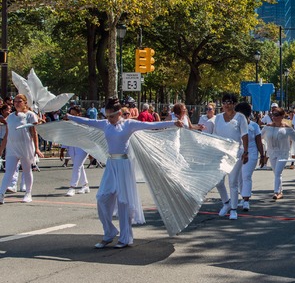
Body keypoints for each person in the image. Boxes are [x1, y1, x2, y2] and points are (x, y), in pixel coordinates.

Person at [66, 98, 179, 248]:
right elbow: (86, 121)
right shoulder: (105, 124)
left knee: (123, 202)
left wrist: (172, 123)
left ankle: (126, 238)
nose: (109, 119)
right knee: (102, 198)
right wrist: (70, 117)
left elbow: (151, 125)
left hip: (124, 165)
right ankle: (109, 232)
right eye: (107, 116)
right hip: (111, 164)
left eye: (112, 116)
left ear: (119, 113)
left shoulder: (129, 124)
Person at [0, 94, 45, 204]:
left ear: (25, 103)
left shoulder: (30, 115)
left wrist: (37, 149)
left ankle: (28, 193)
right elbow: (7, 134)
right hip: (12, 148)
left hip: (26, 147)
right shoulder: (10, 117)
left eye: (20, 101)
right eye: (15, 101)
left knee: (26, 170)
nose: (17, 103)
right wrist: (1, 150)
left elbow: (34, 133)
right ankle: (1, 194)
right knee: (8, 172)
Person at [262, 106, 295, 200]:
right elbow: (259, 137)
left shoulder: (287, 128)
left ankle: (276, 192)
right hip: (272, 152)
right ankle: (280, 191)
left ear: (282, 116)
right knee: (276, 173)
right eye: (273, 114)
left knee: (277, 172)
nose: (274, 116)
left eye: (276, 115)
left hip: (283, 153)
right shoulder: (267, 127)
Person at [212, 93, 249, 220]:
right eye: (224, 102)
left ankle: (233, 209)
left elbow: (244, 135)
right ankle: (226, 203)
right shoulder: (217, 118)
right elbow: (214, 135)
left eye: (229, 102)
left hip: (236, 153)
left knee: (233, 182)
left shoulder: (240, 117)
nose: (227, 105)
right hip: (221, 153)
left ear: (234, 104)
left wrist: (245, 152)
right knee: (218, 181)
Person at [234, 102, 264, 211]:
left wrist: (263, 155)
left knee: (246, 176)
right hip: (237, 153)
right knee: (239, 178)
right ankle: (243, 196)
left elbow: (259, 142)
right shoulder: (234, 125)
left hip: (251, 152)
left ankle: (246, 200)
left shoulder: (254, 126)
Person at [64, 105, 90, 197]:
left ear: (79, 114)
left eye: (73, 114)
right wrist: (64, 147)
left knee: (77, 166)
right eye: (70, 114)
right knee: (79, 166)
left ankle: (72, 187)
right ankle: (85, 185)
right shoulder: (68, 124)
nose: (71, 116)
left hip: (83, 147)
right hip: (72, 147)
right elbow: (66, 136)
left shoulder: (84, 124)